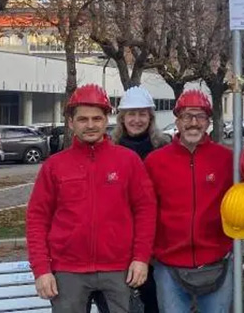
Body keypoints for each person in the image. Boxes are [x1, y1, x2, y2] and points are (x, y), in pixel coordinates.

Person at [26, 84, 157, 313]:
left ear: (107, 120)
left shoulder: (128, 161)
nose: (90, 125)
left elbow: (145, 212)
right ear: (71, 123)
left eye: (97, 118)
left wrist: (141, 258)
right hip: (68, 271)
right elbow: (37, 219)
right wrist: (41, 269)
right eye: (82, 119)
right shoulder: (54, 166)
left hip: (118, 269)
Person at [145, 90, 234, 313]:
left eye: (200, 116)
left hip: (217, 260)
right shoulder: (155, 162)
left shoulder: (226, 159)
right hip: (168, 264)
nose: (193, 123)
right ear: (177, 121)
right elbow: (145, 210)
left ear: (208, 122)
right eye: (187, 116)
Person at [106, 86, 168, 313]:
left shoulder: (163, 147)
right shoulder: (110, 149)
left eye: (142, 114)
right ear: (122, 118)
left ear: (150, 118)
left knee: (154, 298)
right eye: (131, 114)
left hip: (156, 237)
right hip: (120, 237)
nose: (137, 120)